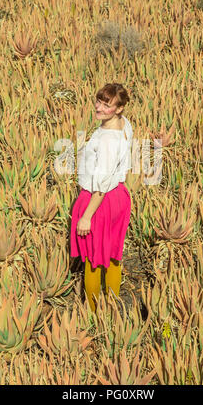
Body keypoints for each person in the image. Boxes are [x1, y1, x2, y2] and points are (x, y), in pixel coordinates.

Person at [70, 83, 133, 313]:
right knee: (113, 253)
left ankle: (94, 313)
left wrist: (86, 216)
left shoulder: (108, 139)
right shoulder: (124, 125)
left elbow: (101, 184)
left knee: (94, 260)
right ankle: (113, 306)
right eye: (99, 101)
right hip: (119, 197)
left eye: (107, 105)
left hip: (100, 201)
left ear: (119, 108)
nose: (99, 107)